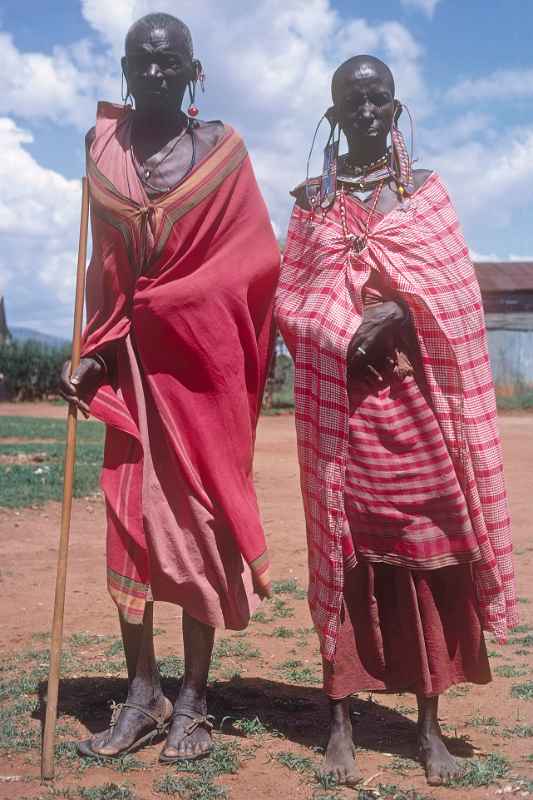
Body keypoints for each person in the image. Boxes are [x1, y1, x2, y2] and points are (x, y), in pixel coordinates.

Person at [276, 55, 517, 787]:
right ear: (332, 113)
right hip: (342, 414)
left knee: (430, 554)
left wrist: (401, 310)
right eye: (352, 102)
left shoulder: (427, 197)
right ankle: (341, 722)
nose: (367, 112)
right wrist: (343, 330)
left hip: (419, 413)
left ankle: (428, 726)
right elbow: (291, 302)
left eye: (377, 100)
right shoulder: (311, 202)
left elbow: (456, 300)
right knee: (347, 557)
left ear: (396, 105)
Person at [60, 12, 279, 763]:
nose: (155, 71)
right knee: (129, 526)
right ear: (125, 67)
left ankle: (193, 699)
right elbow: (108, 275)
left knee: (197, 527)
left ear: (194, 71)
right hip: (131, 374)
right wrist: (94, 349)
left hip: (200, 373)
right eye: (142, 60)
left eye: (170, 61)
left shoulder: (221, 152)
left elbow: (251, 264)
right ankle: (143, 692)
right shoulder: (103, 147)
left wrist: (177, 306)